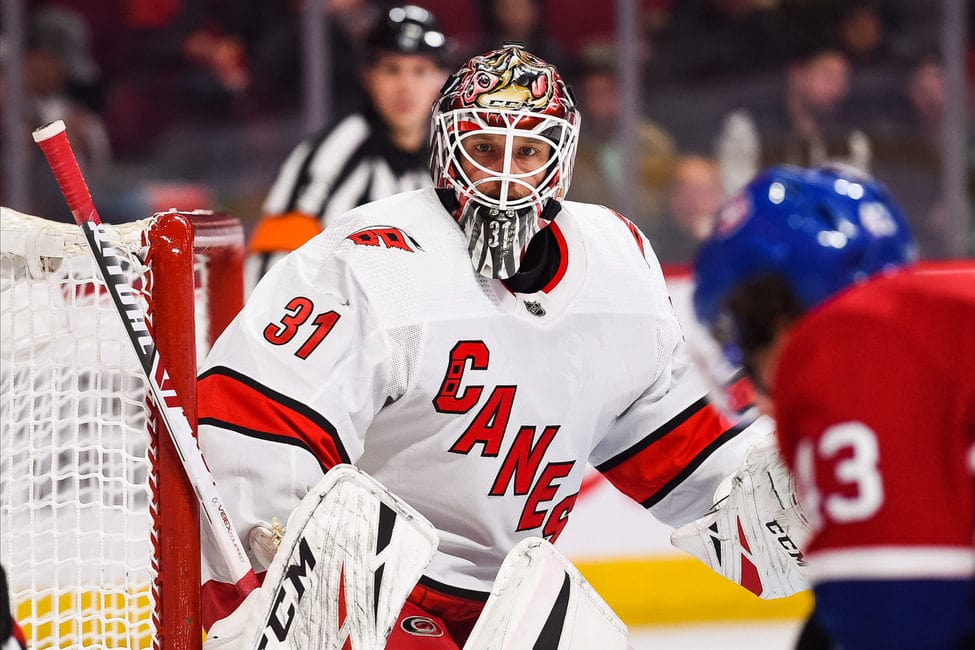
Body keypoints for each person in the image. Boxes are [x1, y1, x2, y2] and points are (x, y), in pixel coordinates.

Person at [198, 44, 805, 647]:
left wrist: (797, 492)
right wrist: (264, 592)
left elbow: (684, 449)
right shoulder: (374, 259)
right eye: (485, 149)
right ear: (447, 151)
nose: (507, 175)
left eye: (530, 151)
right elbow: (252, 426)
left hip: (513, 599)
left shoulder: (618, 264)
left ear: (559, 161)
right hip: (369, 590)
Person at [693, 164, 975, 649]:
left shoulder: (860, 381)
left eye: (743, 337)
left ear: (780, 325)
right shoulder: (945, 334)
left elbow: (893, 625)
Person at [246, 5, 451, 288]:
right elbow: (270, 269)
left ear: (441, 79)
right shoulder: (333, 154)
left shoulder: (447, 155)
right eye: (392, 70)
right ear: (368, 75)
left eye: (419, 70)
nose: (406, 86)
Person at [713, 45, 870, 195]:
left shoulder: (849, 137)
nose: (837, 88)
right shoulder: (748, 126)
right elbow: (737, 194)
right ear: (797, 75)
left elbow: (853, 194)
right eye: (827, 76)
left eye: (843, 78)